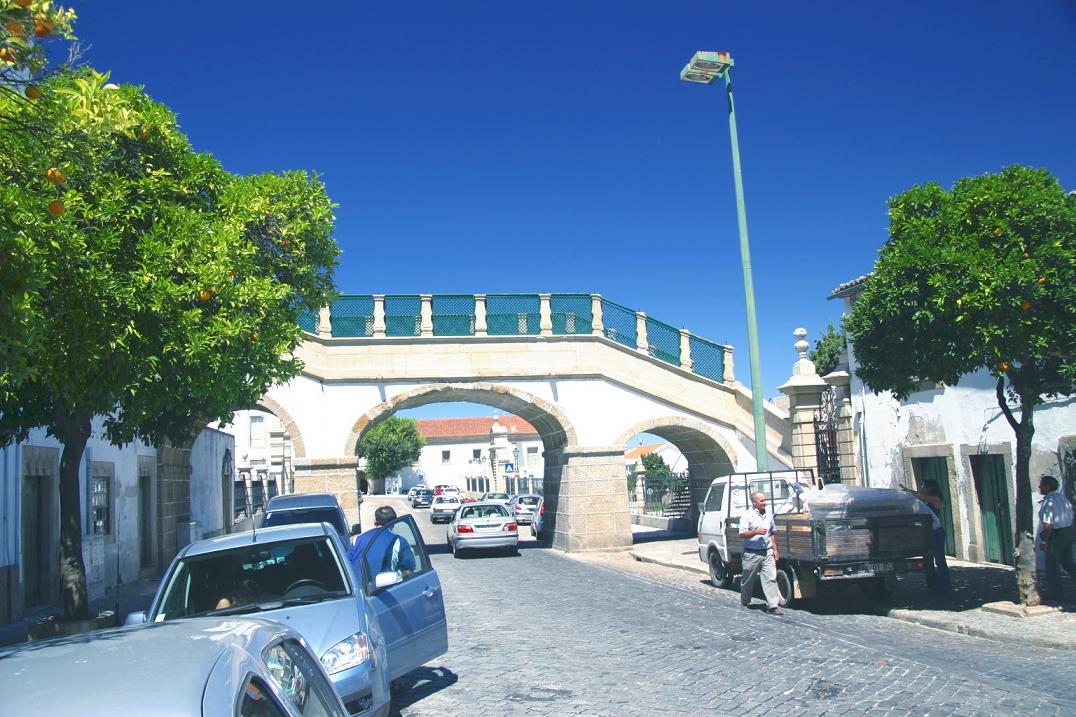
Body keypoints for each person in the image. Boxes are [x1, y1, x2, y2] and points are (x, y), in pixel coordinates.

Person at [902, 480, 952, 592]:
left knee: (939, 560)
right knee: (928, 560)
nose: (922, 487)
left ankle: (945, 586)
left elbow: (921, 496)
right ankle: (932, 586)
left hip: (936, 531)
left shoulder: (935, 499)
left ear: (931, 488)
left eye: (924, 486)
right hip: (926, 533)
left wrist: (910, 492)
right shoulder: (925, 499)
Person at [738, 491, 783, 615]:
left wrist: (775, 550)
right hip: (751, 553)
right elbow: (741, 533)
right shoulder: (747, 515)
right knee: (748, 579)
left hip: (767, 552)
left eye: (764, 500)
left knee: (770, 578)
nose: (765, 503)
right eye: (762, 501)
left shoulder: (769, 514)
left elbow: (772, 533)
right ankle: (745, 601)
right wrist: (756, 532)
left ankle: (773, 606)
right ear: (754, 503)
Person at [346, 506, 416, 583]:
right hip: (382, 590)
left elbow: (347, 562)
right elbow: (409, 570)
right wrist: (399, 575)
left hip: (355, 587)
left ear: (375, 521)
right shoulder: (399, 541)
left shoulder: (358, 539)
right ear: (394, 523)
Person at [1038, 475, 1075, 602]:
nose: (1039, 487)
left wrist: (1045, 542)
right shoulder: (1063, 498)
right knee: (1068, 562)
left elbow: (1048, 525)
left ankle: (1056, 593)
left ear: (1048, 487)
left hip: (1056, 535)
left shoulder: (1049, 501)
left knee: (1052, 565)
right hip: (1068, 532)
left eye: (1041, 484)